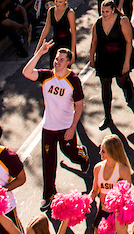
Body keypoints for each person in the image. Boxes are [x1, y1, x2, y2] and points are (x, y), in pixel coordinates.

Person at [22, 42, 89, 210]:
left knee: (71, 154)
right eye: (55, 59)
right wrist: (39, 53)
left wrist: (73, 127)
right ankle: (48, 194)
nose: (56, 62)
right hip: (49, 128)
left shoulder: (73, 80)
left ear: (68, 62)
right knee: (48, 162)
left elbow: (79, 105)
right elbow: (26, 72)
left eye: (61, 59)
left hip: (66, 127)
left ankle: (82, 155)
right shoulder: (46, 76)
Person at [88, 0, 134, 130]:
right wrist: (92, 58)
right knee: (105, 85)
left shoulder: (122, 21)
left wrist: (126, 62)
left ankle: (127, 86)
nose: (104, 14)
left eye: (107, 11)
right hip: (104, 58)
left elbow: (128, 41)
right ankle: (107, 116)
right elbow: (94, 41)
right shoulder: (97, 23)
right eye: (102, 11)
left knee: (121, 81)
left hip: (119, 57)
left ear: (113, 9)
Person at [88, 134, 132, 230]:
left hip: (117, 214)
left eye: (103, 151)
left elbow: (127, 196)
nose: (100, 153)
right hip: (102, 210)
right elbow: (95, 190)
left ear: (112, 152)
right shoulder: (97, 168)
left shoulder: (123, 170)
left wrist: (124, 219)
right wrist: (86, 201)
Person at [38, 0, 77, 68]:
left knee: (64, 70)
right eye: (56, 1)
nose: (57, 4)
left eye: (60, 2)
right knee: (53, 69)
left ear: (65, 1)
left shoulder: (70, 13)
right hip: (55, 42)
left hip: (66, 43)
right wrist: (38, 47)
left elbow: (73, 33)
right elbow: (46, 29)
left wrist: (72, 52)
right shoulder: (51, 11)